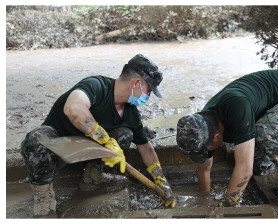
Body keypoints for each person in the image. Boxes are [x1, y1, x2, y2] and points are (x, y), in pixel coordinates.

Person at [21, 54, 176, 218]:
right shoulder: (96, 85)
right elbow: (73, 108)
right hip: (59, 151)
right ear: (137, 83)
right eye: (149, 90)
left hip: (86, 157)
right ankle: (43, 197)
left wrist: (161, 181)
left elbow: (146, 148)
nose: (148, 96)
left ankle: (93, 178)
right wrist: (105, 140)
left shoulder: (131, 113)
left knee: (124, 134)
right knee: (36, 139)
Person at [176, 70, 278, 207]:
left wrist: (227, 206)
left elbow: (245, 170)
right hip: (276, 111)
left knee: (266, 132)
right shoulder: (204, 124)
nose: (204, 153)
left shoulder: (236, 107)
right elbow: (204, 169)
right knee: (259, 165)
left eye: (205, 150)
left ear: (217, 136)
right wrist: (204, 198)